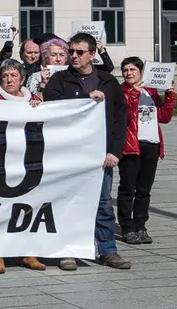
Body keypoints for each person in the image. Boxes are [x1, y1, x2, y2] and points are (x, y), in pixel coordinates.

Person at [43, 32, 130, 270]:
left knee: (102, 203)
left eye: (79, 52)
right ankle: (68, 249)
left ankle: (108, 250)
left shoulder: (108, 82)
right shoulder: (59, 81)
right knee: (67, 202)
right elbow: (52, 108)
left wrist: (115, 152)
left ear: (92, 54)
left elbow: (120, 119)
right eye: (71, 51)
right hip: (68, 155)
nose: (73, 56)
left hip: (99, 155)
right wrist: (83, 98)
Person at [0, 59, 45, 274]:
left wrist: (41, 108)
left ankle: (27, 252)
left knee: (26, 206)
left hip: (27, 160)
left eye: (13, 76)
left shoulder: (34, 100)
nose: (9, 80)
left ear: (22, 79)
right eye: (5, 76)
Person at [117, 57, 176, 245]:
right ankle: (127, 227)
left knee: (144, 190)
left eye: (133, 70)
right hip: (131, 146)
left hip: (152, 144)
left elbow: (164, 117)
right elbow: (123, 117)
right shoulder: (121, 92)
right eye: (125, 70)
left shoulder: (150, 91)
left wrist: (170, 97)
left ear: (141, 72)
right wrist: (133, 94)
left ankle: (140, 225)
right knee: (128, 189)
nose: (128, 73)